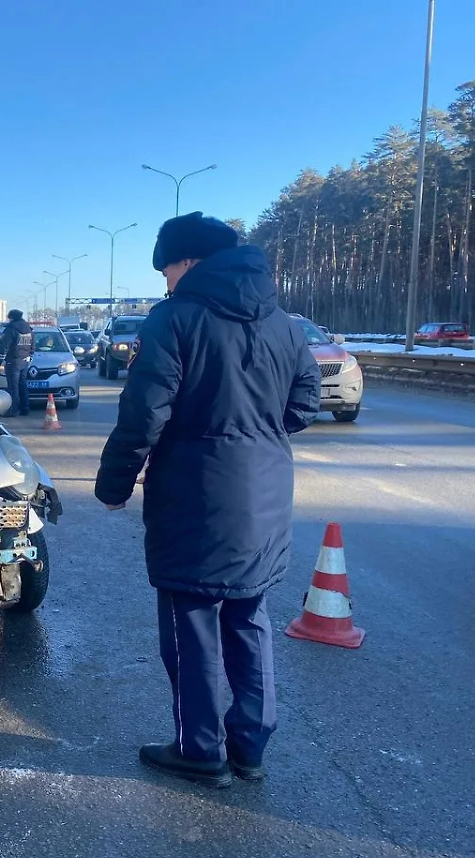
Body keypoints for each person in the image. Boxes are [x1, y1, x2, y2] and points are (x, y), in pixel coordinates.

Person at [95, 212, 320, 788]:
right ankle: (250, 746)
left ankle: (199, 748)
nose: (165, 280)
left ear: (188, 262)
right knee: (250, 616)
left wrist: (115, 484)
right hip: (266, 491)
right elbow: (304, 405)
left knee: (190, 622)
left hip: (194, 495)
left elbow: (144, 413)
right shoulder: (287, 325)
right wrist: (254, 439)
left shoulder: (175, 319)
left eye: (167, 267)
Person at [0, 309, 34, 416]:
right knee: (23, 385)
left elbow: (4, 348)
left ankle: (13, 409)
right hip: (24, 361)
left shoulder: (11, 330)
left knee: (13, 387)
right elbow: (32, 347)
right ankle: (25, 407)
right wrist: (28, 357)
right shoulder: (29, 330)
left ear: (11, 318)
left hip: (13, 362)